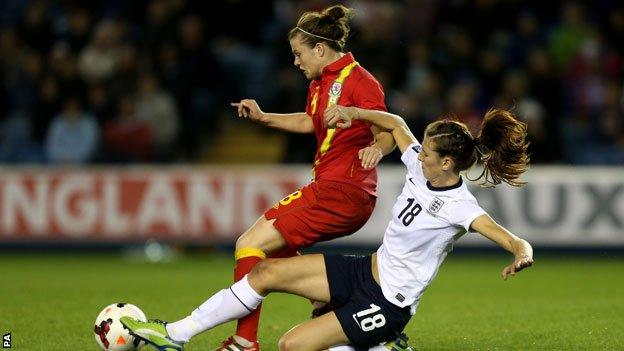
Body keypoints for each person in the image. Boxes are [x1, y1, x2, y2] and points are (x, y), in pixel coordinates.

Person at [121, 106, 534, 351]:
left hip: (388, 304)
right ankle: (175, 334)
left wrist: (521, 251)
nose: (417, 153)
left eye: (426, 152)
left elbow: (500, 232)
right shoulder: (417, 163)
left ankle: (380, 344)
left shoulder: (459, 205)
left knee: (290, 345)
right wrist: (356, 113)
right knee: (263, 272)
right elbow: (395, 123)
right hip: (364, 271)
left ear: (447, 163)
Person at [214, 5, 395, 350]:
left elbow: (386, 128)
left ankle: (244, 341)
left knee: (248, 244)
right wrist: (265, 118)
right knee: (270, 249)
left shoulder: (361, 81)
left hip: (343, 190)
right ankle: (332, 302)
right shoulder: (319, 83)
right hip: (333, 188)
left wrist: (379, 149)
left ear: (320, 49)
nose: (296, 62)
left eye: (299, 54)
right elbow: (309, 122)